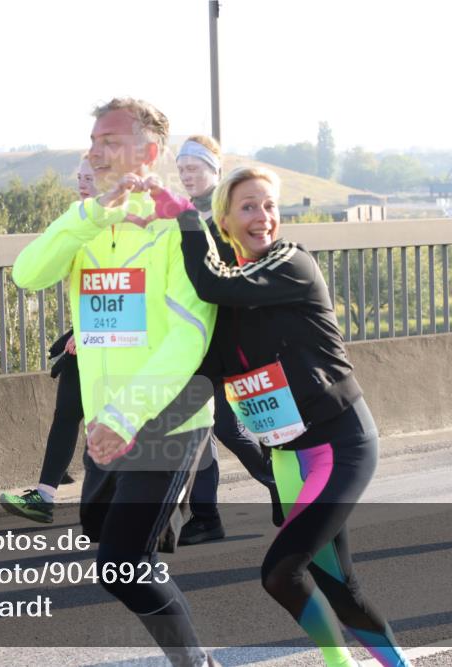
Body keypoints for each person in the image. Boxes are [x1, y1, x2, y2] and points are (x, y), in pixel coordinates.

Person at [174, 166, 411, 666]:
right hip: (286, 457)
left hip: (340, 445)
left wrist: (184, 220)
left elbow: (213, 283)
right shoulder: (227, 297)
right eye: (248, 207)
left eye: (269, 205)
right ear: (226, 219)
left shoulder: (292, 263)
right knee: (338, 586)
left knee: (281, 572)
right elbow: (201, 366)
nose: (263, 218)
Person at [12, 98, 219, 667]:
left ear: (149, 154)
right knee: (113, 546)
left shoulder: (183, 228)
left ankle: (196, 663)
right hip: (108, 427)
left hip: (168, 417)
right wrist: (89, 217)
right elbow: (27, 273)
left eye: (109, 141)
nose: (93, 150)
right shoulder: (88, 223)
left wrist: (126, 416)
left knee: (120, 564)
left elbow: (188, 339)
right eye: (93, 140)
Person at [175, 136, 281, 546]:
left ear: (215, 171)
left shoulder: (225, 215)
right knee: (208, 426)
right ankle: (208, 514)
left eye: (194, 167)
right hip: (192, 339)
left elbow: (228, 272)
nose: (186, 173)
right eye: (181, 167)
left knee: (224, 426)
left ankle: (271, 485)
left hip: (224, 336)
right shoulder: (180, 213)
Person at [0, 157, 97, 523]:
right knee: (67, 415)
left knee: (107, 424)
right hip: (86, 343)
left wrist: (88, 333)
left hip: (119, 346)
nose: (82, 183)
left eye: (90, 176)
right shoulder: (78, 221)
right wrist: (79, 332)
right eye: (79, 176)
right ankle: (44, 496)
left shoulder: (128, 227)